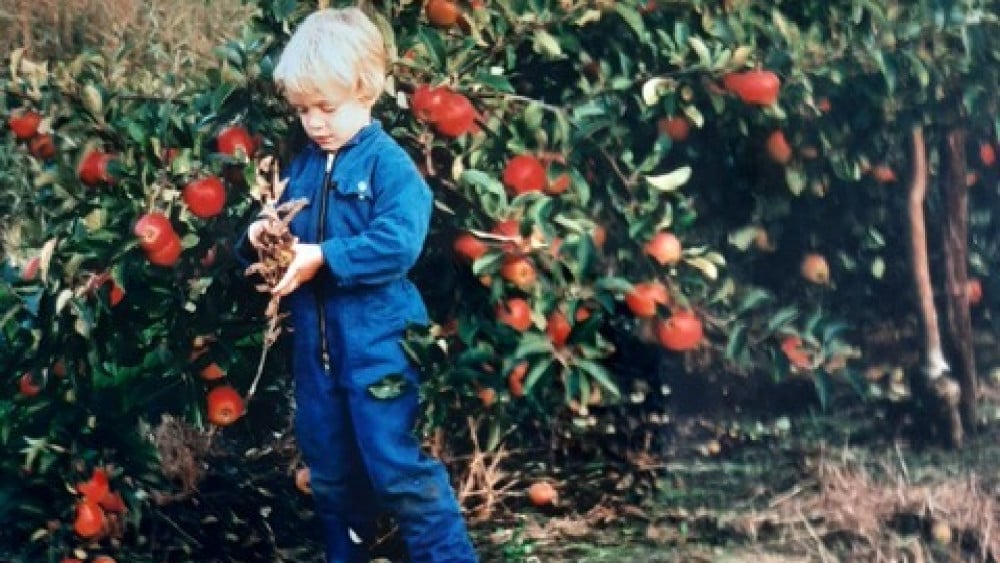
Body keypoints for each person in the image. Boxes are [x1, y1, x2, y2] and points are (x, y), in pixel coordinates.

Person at [241, 7, 478, 563]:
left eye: (327, 108)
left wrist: (325, 256)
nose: (315, 122)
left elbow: (399, 242)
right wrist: (257, 236)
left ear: (366, 91)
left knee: (398, 470)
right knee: (330, 474)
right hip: (316, 356)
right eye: (304, 110)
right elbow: (272, 229)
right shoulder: (302, 168)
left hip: (381, 348)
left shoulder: (388, 167)